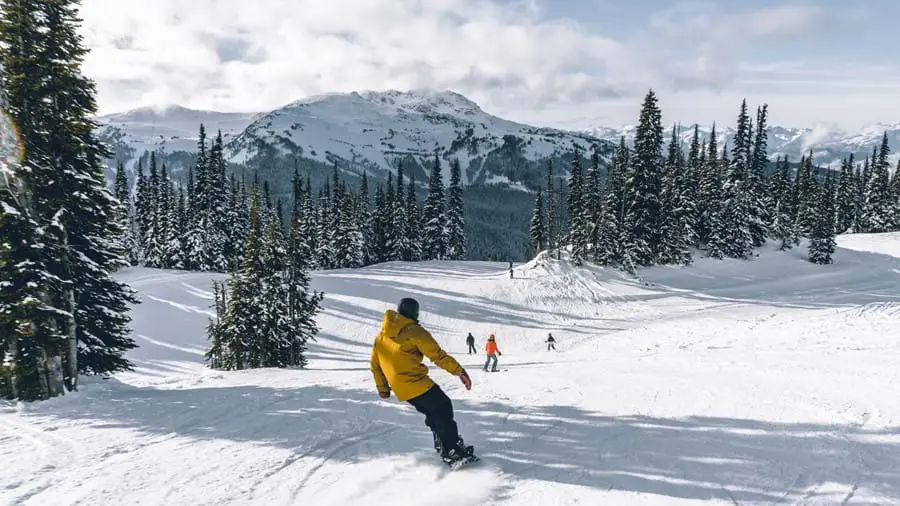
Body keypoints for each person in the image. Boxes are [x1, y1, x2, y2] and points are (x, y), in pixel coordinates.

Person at [370, 298, 475, 466]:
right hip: (414, 381)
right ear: (414, 313)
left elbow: (375, 364)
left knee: (433, 411)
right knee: (443, 406)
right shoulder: (415, 331)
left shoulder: (381, 335)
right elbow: (437, 355)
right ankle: (451, 449)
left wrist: (383, 388)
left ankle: (443, 442)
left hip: (401, 388)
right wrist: (459, 371)